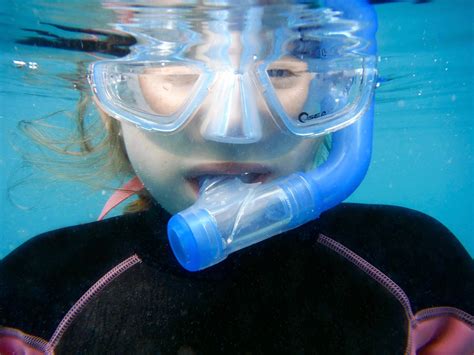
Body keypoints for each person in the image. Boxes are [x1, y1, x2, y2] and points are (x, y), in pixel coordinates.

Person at [1, 1, 472, 354]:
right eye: (178, 68)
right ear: (111, 96)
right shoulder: (34, 296)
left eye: (280, 70)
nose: (230, 129)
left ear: (336, 97)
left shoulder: (424, 272)